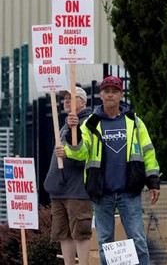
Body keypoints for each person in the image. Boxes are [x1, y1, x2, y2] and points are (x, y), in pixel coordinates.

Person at [57, 75, 160, 265]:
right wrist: (75, 133)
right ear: (101, 95)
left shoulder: (134, 122)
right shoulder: (90, 124)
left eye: (115, 91)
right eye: (107, 91)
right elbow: (80, 154)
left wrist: (153, 181)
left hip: (129, 192)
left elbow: (148, 152)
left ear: (121, 95)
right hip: (102, 193)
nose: (110, 95)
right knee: (105, 243)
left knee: (138, 241)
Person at [44, 86, 93, 265]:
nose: (66, 101)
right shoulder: (65, 124)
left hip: (77, 189)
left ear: (83, 102)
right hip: (59, 189)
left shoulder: (88, 123)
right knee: (63, 233)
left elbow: (87, 155)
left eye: (71, 98)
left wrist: (68, 152)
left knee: (80, 232)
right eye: (64, 98)